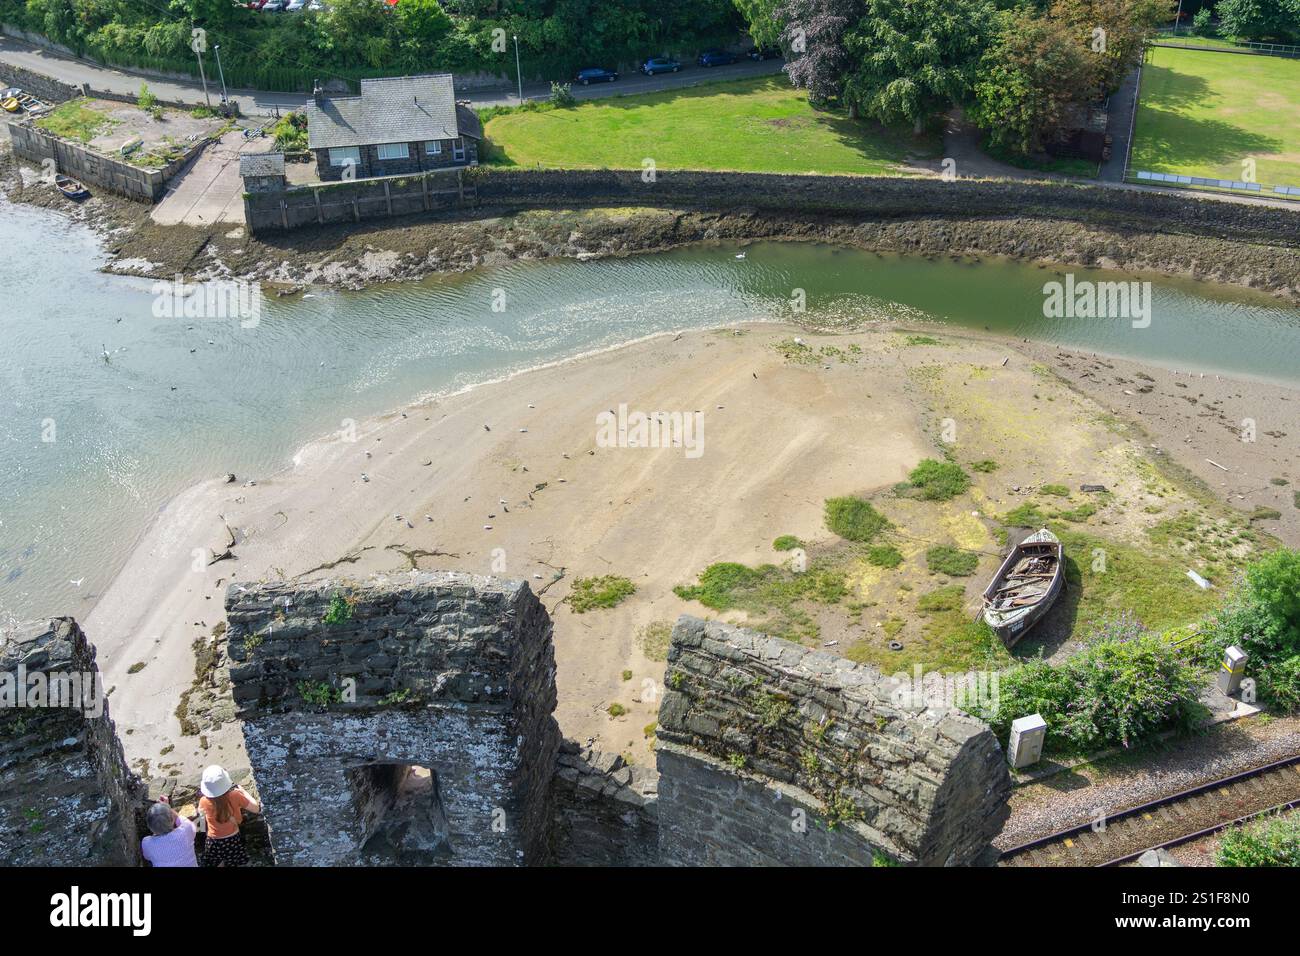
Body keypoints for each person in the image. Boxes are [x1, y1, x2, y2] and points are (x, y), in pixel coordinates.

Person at [197, 765, 260, 867]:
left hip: (213, 841)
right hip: (232, 840)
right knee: (234, 861)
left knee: (216, 863)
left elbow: (201, 821)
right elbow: (256, 808)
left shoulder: (203, 801)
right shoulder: (235, 795)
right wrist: (244, 792)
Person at [141, 797, 198, 867]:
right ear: (172, 820)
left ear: (150, 827)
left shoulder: (147, 843)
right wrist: (168, 808)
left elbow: (146, 857)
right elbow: (180, 819)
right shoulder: (186, 830)